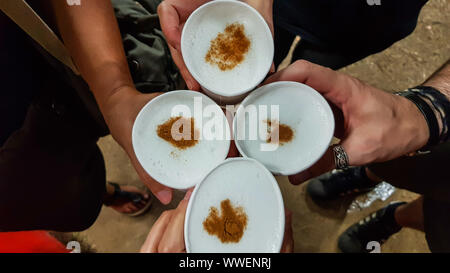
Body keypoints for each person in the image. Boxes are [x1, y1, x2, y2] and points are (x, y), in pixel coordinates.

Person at [157, 0, 450, 252]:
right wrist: (428, 108)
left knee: (312, 64)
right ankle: (373, 176)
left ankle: (381, 195)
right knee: (293, 66)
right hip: (289, 9)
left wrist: (429, 110)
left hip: (369, 21)